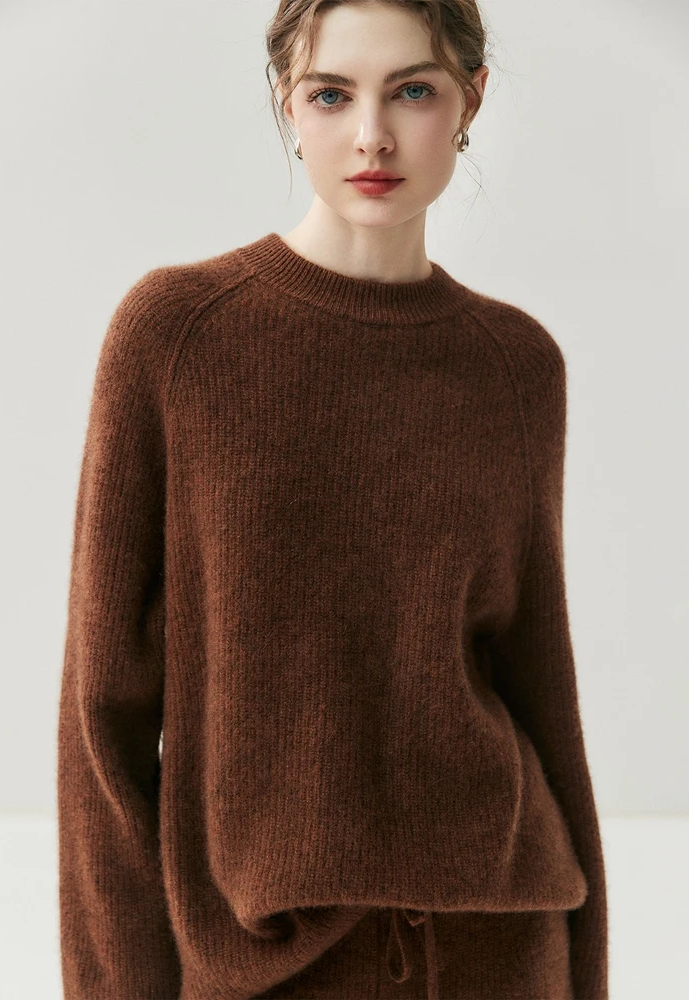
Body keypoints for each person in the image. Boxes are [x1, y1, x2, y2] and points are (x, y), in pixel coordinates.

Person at [56, 2, 609, 999]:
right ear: (288, 105)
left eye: (413, 90)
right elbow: (104, 720)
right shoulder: (177, 336)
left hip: (501, 947)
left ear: (471, 100)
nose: (372, 136)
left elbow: (542, 689)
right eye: (331, 94)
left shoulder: (516, 366)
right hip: (262, 963)